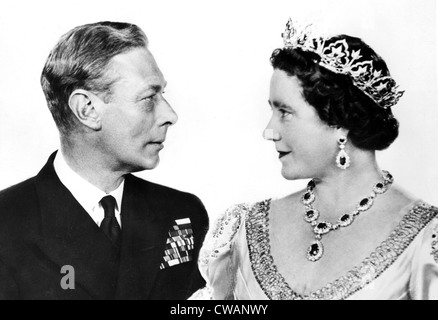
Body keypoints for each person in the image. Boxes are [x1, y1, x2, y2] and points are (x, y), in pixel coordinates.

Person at [191, 19, 438, 300]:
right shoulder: (243, 230)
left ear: (340, 121)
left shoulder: (427, 241)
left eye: (285, 112)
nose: (269, 131)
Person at [0, 21, 209, 300]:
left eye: (163, 95)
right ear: (87, 109)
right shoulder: (7, 223)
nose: (170, 115)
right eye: (148, 98)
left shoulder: (182, 212)